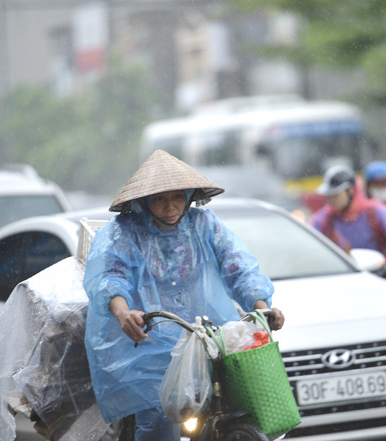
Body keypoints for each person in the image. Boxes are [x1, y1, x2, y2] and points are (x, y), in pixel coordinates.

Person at [83, 149, 284, 441]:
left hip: (205, 334)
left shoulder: (204, 224)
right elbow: (110, 276)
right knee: (160, 423)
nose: (170, 206)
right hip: (149, 342)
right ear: (143, 201)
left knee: (223, 407)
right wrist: (123, 312)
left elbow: (237, 265)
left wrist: (262, 306)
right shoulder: (123, 233)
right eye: (160, 199)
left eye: (177, 196)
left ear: (189, 196)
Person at [310, 165, 386, 285]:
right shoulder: (325, 219)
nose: (331, 200)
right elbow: (308, 245)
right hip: (343, 284)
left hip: (383, 281)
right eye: (329, 195)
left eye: (336, 195)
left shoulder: (375, 212)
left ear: (351, 191)